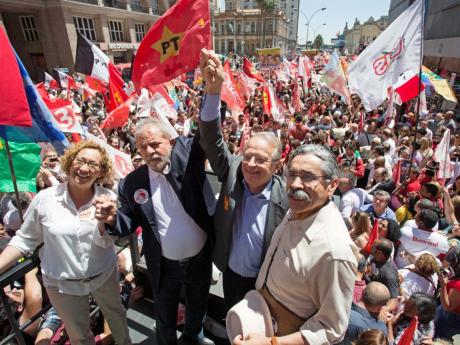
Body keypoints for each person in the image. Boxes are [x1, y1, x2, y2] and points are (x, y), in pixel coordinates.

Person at [0, 141, 131, 345]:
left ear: (101, 172)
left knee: (117, 316)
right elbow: (24, 240)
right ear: (70, 162)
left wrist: (108, 222)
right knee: (79, 336)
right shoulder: (45, 199)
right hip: (63, 287)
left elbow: (111, 242)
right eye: (81, 161)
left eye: (93, 165)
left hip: (104, 277)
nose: (85, 168)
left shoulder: (108, 198)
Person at [230, 144, 357, 345]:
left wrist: (271, 343)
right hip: (257, 321)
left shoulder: (335, 252)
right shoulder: (299, 208)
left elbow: (331, 328)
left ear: (332, 185)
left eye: (308, 177)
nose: (295, 184)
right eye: (291, 174)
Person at [104, 117, 215, 345]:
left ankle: (193, 337)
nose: (149, 151)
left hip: (200, 258)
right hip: (164, 266)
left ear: (170, 141)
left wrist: (212, 95)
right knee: (164, 313)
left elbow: (207, 133)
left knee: (198, 305)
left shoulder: (187, 158)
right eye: (143, 146)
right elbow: (127, 223)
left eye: (155, 143)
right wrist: (112, 219)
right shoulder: (132, 183)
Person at [199, 49, 289, 311]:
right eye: (247, 156)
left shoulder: (288, 198)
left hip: (267, 284)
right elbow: (212, 141)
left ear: (277, 165)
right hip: (230, 275)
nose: (250, 165)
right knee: (233, 326)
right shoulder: (234, 173)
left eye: (260, 160)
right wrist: (213, 92)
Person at [434, 246, 460, 339]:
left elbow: (448, 307)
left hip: (449, 319)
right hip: (448, 315)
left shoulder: (458, 285)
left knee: (436, 338)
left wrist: (443, 285)